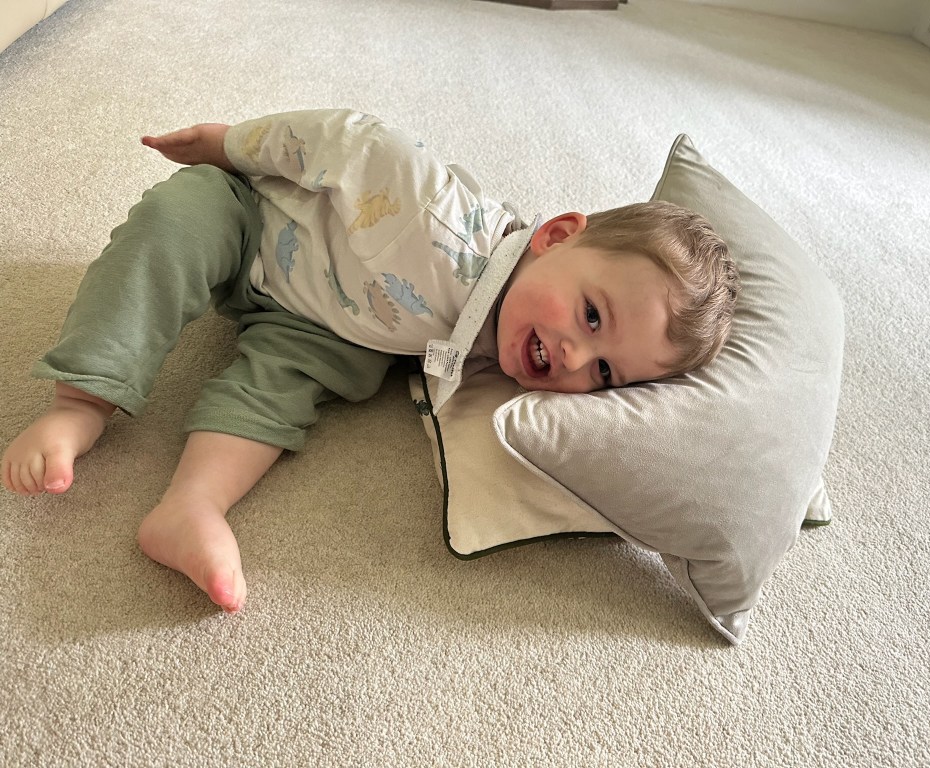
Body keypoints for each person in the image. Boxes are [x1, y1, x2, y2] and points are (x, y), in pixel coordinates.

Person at [1, 109, 738, 613]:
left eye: (605, 373)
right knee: (173, 224)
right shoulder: (439, 219)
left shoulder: (513, 351)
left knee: (296, 385)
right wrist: (228, 144)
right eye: (592, 315)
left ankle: (192, 506)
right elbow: (350, 140)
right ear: (555, 236)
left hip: (323, 324)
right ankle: (82, 402)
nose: (576, 356)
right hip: (251, 220)